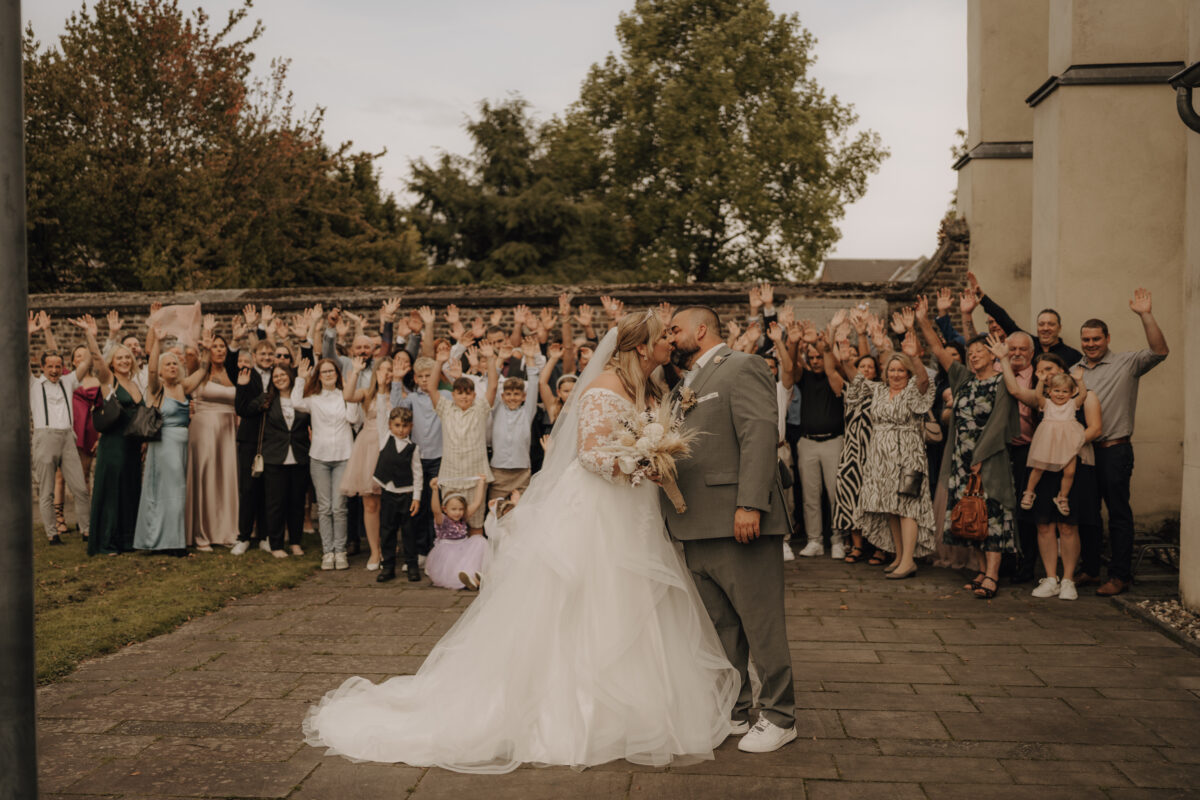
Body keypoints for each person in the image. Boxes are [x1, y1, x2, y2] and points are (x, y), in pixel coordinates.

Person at [304, 312, 738, 772]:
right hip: (598, 509)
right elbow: (591, 455)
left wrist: (649, 460)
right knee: (584, 597)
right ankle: (575, 712)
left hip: (634, 510)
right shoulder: (604, 387)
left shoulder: (647, 387)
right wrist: (639, 465)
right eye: (663, 337)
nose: (671, 342)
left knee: (639, 598)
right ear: (640, 346)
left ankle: (648, 703)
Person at [664, 305, 795, 754]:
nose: (670, 335)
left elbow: (761, 432)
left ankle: (780, 715)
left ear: (701, 330)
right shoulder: (686, 382)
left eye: (676, 328)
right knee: (722, 626)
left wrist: (750, 503)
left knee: (761, 623)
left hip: (739, 518)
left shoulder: (742, 366)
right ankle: (737, 710)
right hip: (696, 522)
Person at [916, 298, 1020, 601]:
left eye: (979, 353)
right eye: (970, 354)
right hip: (962, 461)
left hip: (990, 461)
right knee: (970, 518)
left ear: (993, 355)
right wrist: (923, 321)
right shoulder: (964, 380)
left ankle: (993, 575)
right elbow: (938, 350)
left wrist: (980, 457)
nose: (973, 357)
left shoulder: (1001, 382)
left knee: (994, 516)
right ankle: (982, 569)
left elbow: (1001, 422)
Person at [1076, 288, 1169, 596]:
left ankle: (1120, 576)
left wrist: (1145, 315)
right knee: (1087, 514)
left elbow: (1159, 351)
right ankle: (1090, 569)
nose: (1090, 344)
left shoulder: (1127, 364)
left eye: (1096, 339)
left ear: (1107, 339)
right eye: (1086, 340)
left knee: (1118, 514)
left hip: (1115, 450)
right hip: (1085, 452)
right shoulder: (1074, 371)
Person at [992, 346, 1102, 600]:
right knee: (1043, 524)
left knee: (1068, 525)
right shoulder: (1046, 398)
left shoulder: (1083, 397)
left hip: (1072, 462)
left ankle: (1068, 579)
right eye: (1040, 371)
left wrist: (1065, 449)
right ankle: (1050, 577)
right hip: (1044, 462)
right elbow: (1015, 390)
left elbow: (1095, 429)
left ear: (1064, 372)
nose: (1045, 374)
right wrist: (1003, 360)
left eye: (1049, 369)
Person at [854, 335, 936, 579]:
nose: (896, 374)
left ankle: (909, 561)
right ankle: (900, 556)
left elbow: (923, 379)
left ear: (907, 373)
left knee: (907, 505)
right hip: (881, 456)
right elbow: (853, 377)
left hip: (908, 454)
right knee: (891, 507)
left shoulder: (913, 389)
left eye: (901, 370)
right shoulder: (879, 390)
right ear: (885, 372)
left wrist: (914, 357)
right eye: (892, 370)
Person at [72, 315, 143, 556]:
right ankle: (107, 542)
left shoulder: (135, 384)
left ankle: (127, 539)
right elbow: (96, 359)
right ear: (113, 362)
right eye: (119, 358)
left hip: (133, 445)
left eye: (127, 358)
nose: (123, 361)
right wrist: (90, 335)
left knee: (130, 489)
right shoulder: (108, 380)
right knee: (112, 492)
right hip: (114, 444)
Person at [135, 325, 211, 554]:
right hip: (165, 443)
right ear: (160, 369)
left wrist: (206, 349)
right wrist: (157, 343)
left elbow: (203, 371)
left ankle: (162, 540)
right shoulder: (157, 389)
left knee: (170, 492)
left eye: (174, 363)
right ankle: (174, 543)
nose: (171, 366)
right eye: (167, 364)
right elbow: (149, 372)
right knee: (173, 491)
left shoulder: (183, 386)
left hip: (181, 444)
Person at [27, 311, 91, 544]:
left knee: (81, 489)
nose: (54, 370)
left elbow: (89, 361)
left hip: (66, 438)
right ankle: (52, 533)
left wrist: (89, 335)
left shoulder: (68, 381)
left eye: (58, 366)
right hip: (45, 438)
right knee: (47, 490)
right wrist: (29, 334)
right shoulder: (34, 384)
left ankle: (86, 530)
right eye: (50, 366)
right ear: (42, 367)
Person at [293, 357, 362, 570]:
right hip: (320, 458)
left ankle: (340, 551)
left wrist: (353, 384)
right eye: (324, 372)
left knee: (339, 507)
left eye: (331, 371)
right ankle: (328, 551)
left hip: (343, 456)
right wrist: (300, 379)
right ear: (319, 376)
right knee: (324, 508)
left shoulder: (345, 396)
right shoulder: (314, 398)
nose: (328, 374)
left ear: (337, 374)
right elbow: (296, 403)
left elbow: (353, 418)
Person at [235, 363, 311, 557]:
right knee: (275, 503)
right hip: (274, 458)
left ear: (290, 376)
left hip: (299, 457)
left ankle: (295, 542)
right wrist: (242, 387)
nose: (279, 378)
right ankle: (276, 544)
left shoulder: (302, 399)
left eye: (282, 374)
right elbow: (243, 410)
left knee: (297, 503)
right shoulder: (266, 399)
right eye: (275, 376)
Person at [428, 342, 498, 532]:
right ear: (453, 394)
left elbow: (492, 387)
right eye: (459, 393)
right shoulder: (445, 409)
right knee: (452, 525)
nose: (464, 397)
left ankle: (474, 561)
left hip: (476, 474)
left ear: (474, 395)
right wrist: (438, 362)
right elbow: (432, 389)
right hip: (451, 474)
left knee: (475, 525)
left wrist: (491, 359)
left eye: (468, 393)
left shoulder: (480, 409)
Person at [791, 320, 846, 559]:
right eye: (811, 357)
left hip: (834, 441)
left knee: (836, 494)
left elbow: (832, 365)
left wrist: (820, 341)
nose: (815, 361)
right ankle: (814, 540)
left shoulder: (834, 376)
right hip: (807, 442)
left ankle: (837, 540)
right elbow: (792, 365)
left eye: (818, 357)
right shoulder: (804, 378)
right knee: (810, 495)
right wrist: (797, 343)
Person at [186, 318, 240, 551]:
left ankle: (228, 531)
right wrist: (203, 339)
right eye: (215, 346)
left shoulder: (233, 373)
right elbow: (189, 355)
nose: (219, 350)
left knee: (226, 478)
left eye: (222, 347)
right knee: (205, 477)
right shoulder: (200, 369)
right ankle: (202, 533)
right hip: (204, 427)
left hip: (229, 429)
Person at [339, 357, 392, 570]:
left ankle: (388, 547)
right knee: (370, 503)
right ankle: (374, 551)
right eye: (382, 370)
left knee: (389, 503)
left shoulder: (399, 393)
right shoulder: (366, 393)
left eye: (389, 371)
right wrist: (355, 371)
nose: (386, 374)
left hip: (389, 449)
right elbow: (347, 395)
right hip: (368, 447)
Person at [231, 339, 275, 555]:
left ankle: (265, 535)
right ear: (255, 356)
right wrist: (259, 401)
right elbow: (241, 408)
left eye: (270, 354)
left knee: (268, 489)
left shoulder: (279, 374)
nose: (267, 357)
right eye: (263, 354)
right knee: (248, 488)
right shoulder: (247, 374)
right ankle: (244, 536)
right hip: (249, 439)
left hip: (272, 440)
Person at [374, 407, 422, 583]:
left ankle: (412, 565)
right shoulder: (385, 438)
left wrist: (416, 497)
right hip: (389, 493)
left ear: (411, 426)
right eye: (397, 425)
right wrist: (381, 390)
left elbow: (418, 474)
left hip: (407, 494)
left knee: (409, 532)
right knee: (387, 530)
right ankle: (388, 566)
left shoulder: (413, 448)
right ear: (390, 425)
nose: (400, 429)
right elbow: (381, 415)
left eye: (405, 426)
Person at [488, 356, 541, 502]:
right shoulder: (497, 410)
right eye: (509, 394)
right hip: (498, 471)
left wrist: (530, 358)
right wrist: (498, 360)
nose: (512, 398)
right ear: (502, 396)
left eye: (517, 394)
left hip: (521, 471)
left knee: (520, 510)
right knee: (495, 510)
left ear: (523, 396)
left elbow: (534, 385)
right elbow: (492, 384)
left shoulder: (527, 412)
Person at [424, 476, 488, 590]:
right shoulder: (442, 519)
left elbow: (477, 503)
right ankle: (469, 579)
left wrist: (481, 483)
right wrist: (434, 490)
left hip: (463, 546)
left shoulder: (463, 517)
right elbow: (435, 509)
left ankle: (475, 579)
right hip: (448, 550)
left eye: (461, 509)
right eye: (454, 509)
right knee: (456, 566)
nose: (458, 513)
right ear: (445, 509)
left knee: (479, 540)